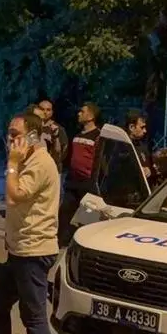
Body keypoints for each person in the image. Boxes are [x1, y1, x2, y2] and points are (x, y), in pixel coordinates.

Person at [0, 111, 61, 334]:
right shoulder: (28, 161)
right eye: (9, 134)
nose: (10, 140)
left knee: (34, 317)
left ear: (32, 136)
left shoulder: (40, 163)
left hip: (33, 251)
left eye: (15, 135)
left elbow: (13, 196)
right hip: (20, 249)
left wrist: (11, 164)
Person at [59, 101, 101, 244]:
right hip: (72, 181)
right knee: (65, 212)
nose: (79, 114)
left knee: (88, 216)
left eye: (82, 111)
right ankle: (61, 240)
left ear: (91, 116)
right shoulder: (77, 135)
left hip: (88, 183)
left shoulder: (98, 136)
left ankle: (85, 242)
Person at [32, 99, 69, 165]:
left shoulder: (58, 129)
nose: (45, 112)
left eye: (48, 110)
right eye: (42, 109)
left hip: (51, 166)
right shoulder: (31, 127)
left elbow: (63, 152)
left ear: (52, 112)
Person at [125, 109, 153, 182]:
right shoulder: (120, 146)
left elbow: (149, 165)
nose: (145, 131)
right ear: (131, 127)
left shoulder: (143, 147)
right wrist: (137, 171)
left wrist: (148, 170)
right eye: (142, 127)